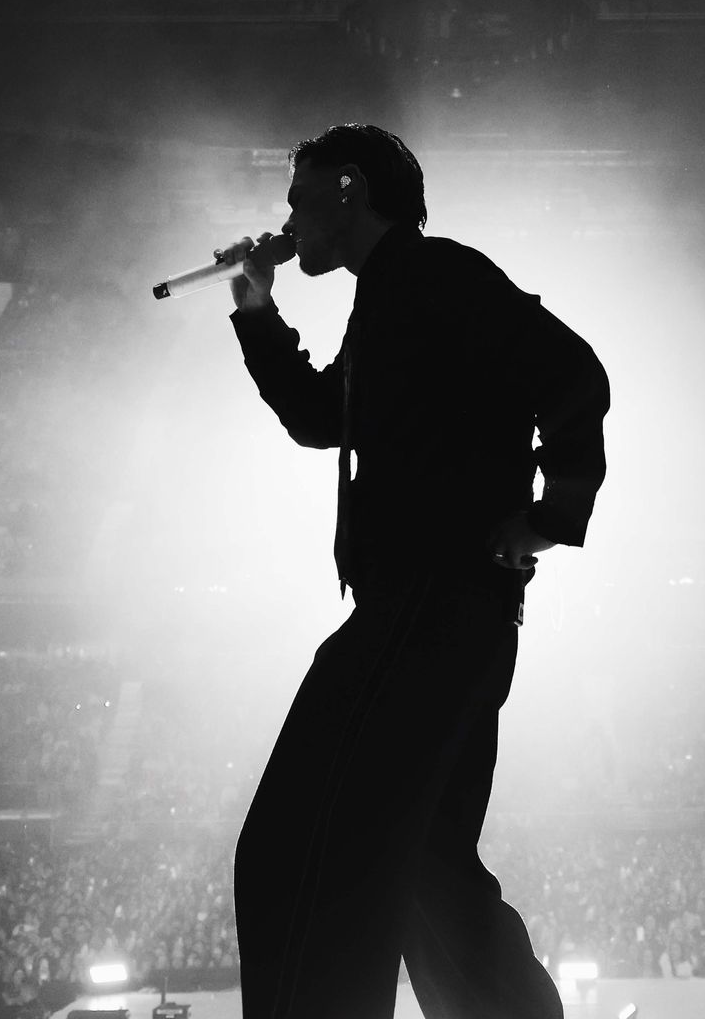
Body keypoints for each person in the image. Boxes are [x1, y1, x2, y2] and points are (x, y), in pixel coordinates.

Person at [220, 123, 610, 1019]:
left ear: (350, 190)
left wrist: (555, 517)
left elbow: (573, 372)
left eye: (299, 198)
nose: (289, 220)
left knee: (299, 840)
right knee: (430, 874)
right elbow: (322, 418)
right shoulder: (391, 298)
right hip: (447, 616)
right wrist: (255, 305)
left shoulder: (437, 275)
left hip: (429, 604)